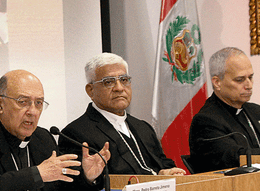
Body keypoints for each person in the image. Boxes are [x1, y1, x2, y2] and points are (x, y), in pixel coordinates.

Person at [0, 70, 109, 191]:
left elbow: (63, 186)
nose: (33, 111)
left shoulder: (43, 138)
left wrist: (88, 176)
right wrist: (36, 174)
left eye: (39, 103)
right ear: (0, 104)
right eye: (23, 102)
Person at [60, 53, 185, 181]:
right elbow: (72, 184)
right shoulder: (75, 134)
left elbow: (163, 164)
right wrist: (89, 177)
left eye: (124, 80)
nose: (119, 88)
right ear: (91, 90)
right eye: (108, 82)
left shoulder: (143, 127)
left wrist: (168, 172)